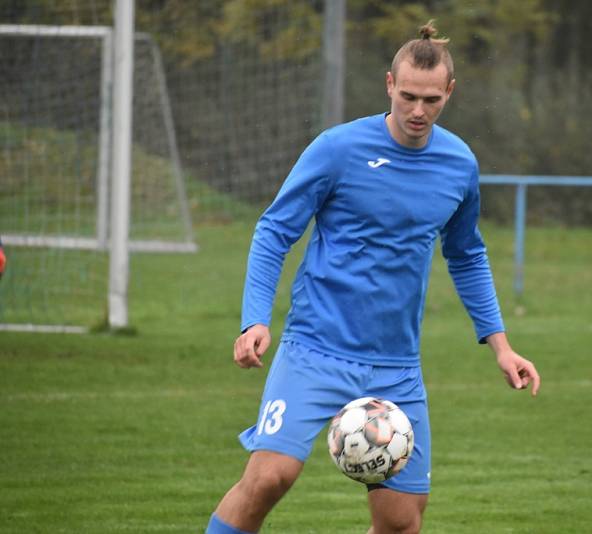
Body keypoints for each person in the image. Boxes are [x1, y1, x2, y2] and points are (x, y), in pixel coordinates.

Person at [206, 21, 540, 534]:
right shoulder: (338, 149)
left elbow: (467, 254)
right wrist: (255, 320)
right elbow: (274, 230)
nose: (417, 111)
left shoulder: (458, 164)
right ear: (389, 84)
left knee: (401, 521)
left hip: (395, 368)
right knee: (270, 477)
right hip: (314, 349)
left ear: (449, 92)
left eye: (431, 99)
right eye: (407, 96)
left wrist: (501, 345)